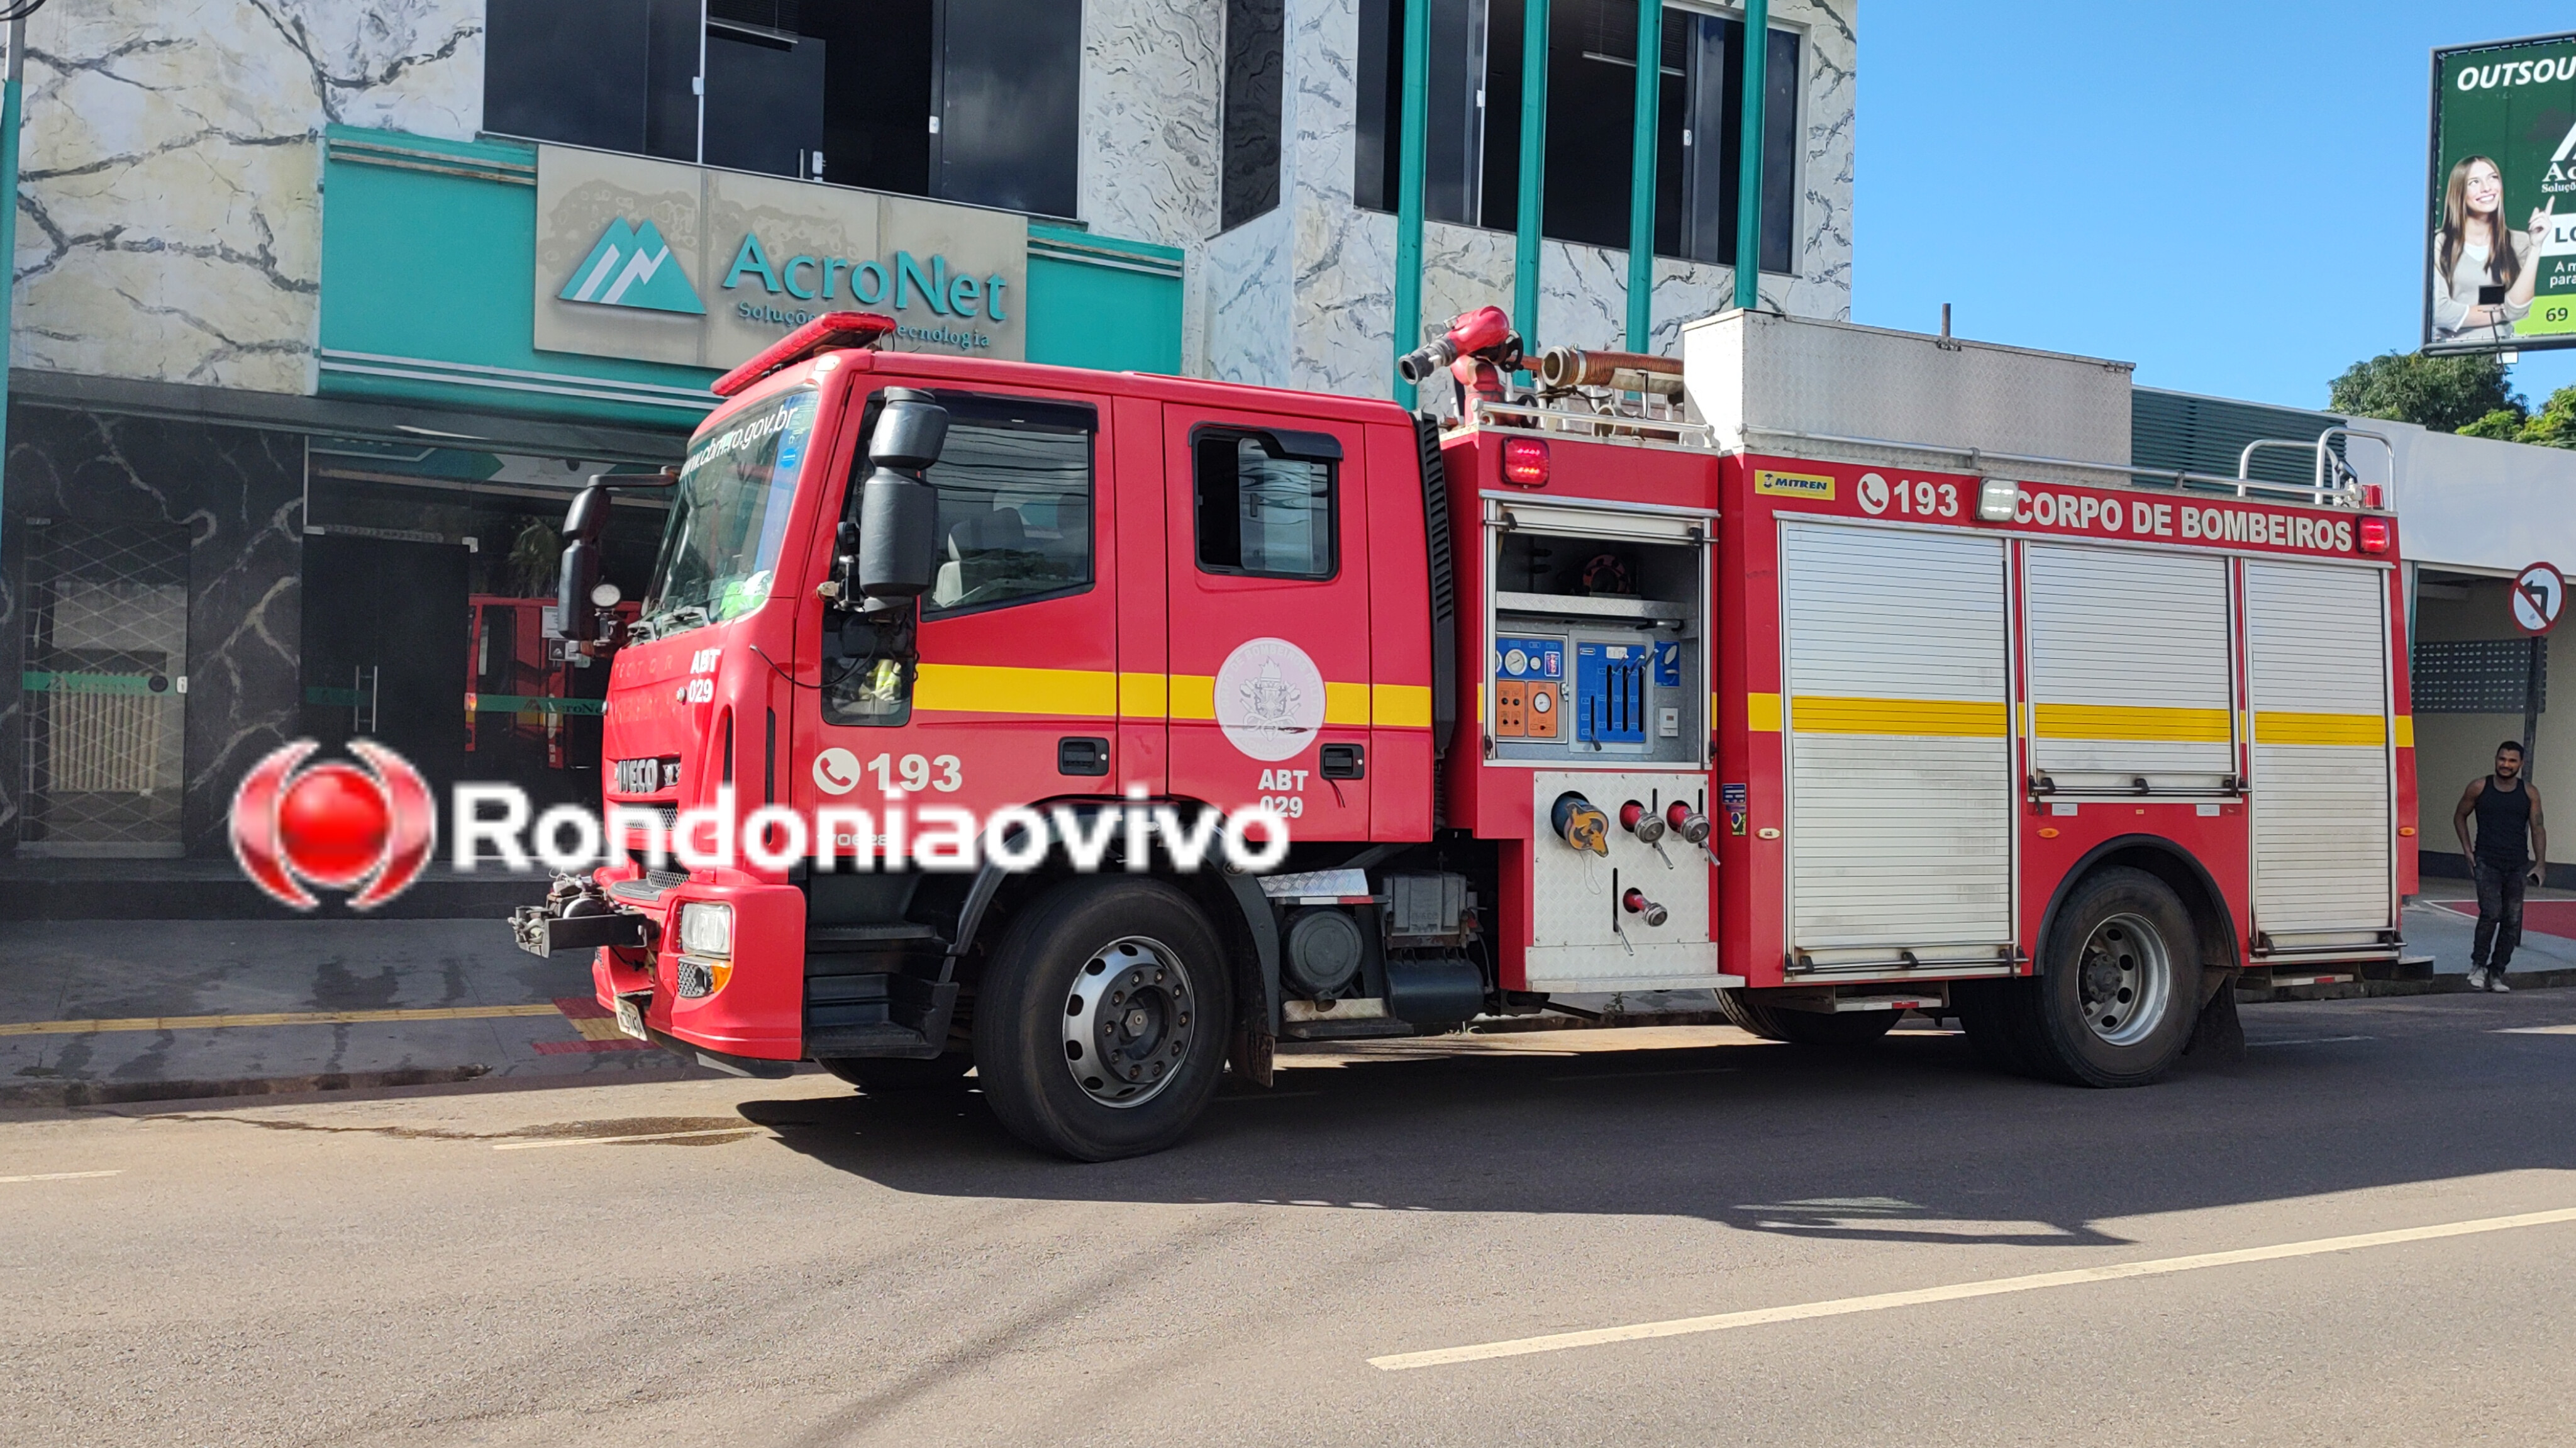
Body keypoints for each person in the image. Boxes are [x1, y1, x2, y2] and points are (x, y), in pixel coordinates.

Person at [2452, 740, 2547, 991]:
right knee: (2491, 912)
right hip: (2487, 862)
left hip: (2517, 864)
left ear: (2521, 764)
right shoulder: (2479, 787)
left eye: (2512, 760)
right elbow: (2460, 815)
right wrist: (2467, 851)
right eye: (2502, 759)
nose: (2506, 764)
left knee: (2512, 920)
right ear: (2496, 759)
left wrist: (2540, 863)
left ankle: (2497, 973)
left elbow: (2538, 827)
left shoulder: (2529, 793)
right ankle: (2478, 966)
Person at [2430, 155, 2553, 344]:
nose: (2487, 188)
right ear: (2458, 191)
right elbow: (2440, 312)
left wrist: (2536, 246)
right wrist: (2503, 311)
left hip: (2501, 349)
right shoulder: (2440, 243)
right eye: (2474, 182)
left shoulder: (2520, 243)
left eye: (2493, 178)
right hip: (2452, 352)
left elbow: (2518, 308)